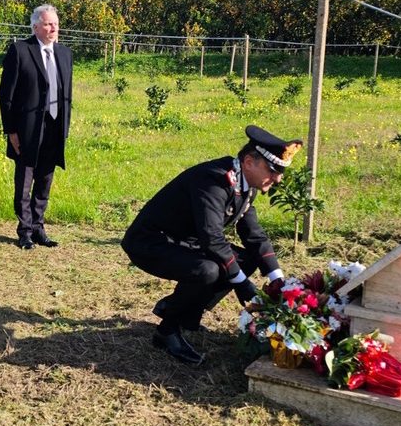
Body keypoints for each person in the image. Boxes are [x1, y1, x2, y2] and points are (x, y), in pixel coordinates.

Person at [121, 125, 303, 364]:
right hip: (151, 242)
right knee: (208, 270)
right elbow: (212, 238)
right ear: (249, 162)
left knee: (244, 260)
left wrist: (278, 279)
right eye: (273, 170)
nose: (278, 178)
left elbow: (254, 235)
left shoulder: (244, 182)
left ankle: (186, 315)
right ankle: (167, 330)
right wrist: (241, 283)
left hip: (184, 241)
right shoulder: (214, 180)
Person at [0, 4, 73, 249]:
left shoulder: (64, 53)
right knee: (25, 179)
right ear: (35, 26)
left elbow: (67, 93)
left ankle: (39, 227)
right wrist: (11, 130)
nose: (53, 28)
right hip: (28, 127)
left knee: (45, 178)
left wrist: (65, 128)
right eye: (48, 24)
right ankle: (25, 230)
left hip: (54, 125)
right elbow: (6, 95)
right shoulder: (20, 50)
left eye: (56, 24)